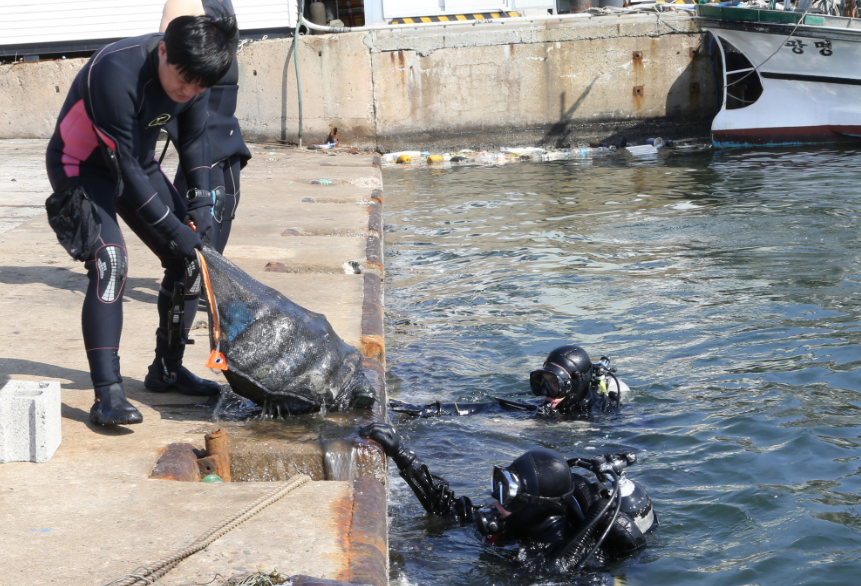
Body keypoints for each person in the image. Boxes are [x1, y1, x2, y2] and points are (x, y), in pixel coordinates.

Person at [45, 14, 238, 426]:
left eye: (198, 86)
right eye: (182, 80)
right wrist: (172, 228)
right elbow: (125, 169)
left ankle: (167, 371)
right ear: (164, 50)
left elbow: (193, 140)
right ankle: (108, 394)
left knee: (190, 259)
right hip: (81, 166)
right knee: (110, 262)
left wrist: (200, 205)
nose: (187, 91)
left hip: (138, 164)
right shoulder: (116, 69)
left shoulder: (196, 75)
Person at [360, 422, 658, 569]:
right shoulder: (508, 521)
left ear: (537, 508)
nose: (497, 500)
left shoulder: (563, 558)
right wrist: (402, 456)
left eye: (510, 494)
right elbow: (445, 509)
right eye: (500, 484)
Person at [160, 0, 252, 254]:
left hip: (225, 111)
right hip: (200, 105)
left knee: (228, 197)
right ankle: (192, 277)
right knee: (207, 198)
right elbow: (169, 59)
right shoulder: (184, 1)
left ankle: (210, 276)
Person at [390, 344, 630, 418]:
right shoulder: (550, 404)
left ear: (575, 384)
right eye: (542, 381)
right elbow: (494, 408)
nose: (546, 390)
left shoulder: (602, 412)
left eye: (554, 384)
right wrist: (432, 410)